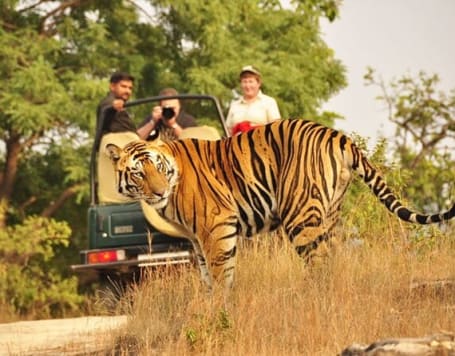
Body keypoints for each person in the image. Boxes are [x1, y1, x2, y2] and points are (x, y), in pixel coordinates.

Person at [96, 71, 156, 203]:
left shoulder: (122, 110)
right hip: (120, 153)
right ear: (112, 87)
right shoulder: (108, 104)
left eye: (130, 88)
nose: (128, 91)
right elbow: (106, 108)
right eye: (123, 86)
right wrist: (113, 105)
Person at [226, 65, 281, 135]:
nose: (247, 85)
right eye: (244, 82)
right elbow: (228, 131)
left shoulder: (269, 102)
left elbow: (276, 129)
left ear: (258, 83)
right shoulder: (234, 105)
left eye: (250, 81)